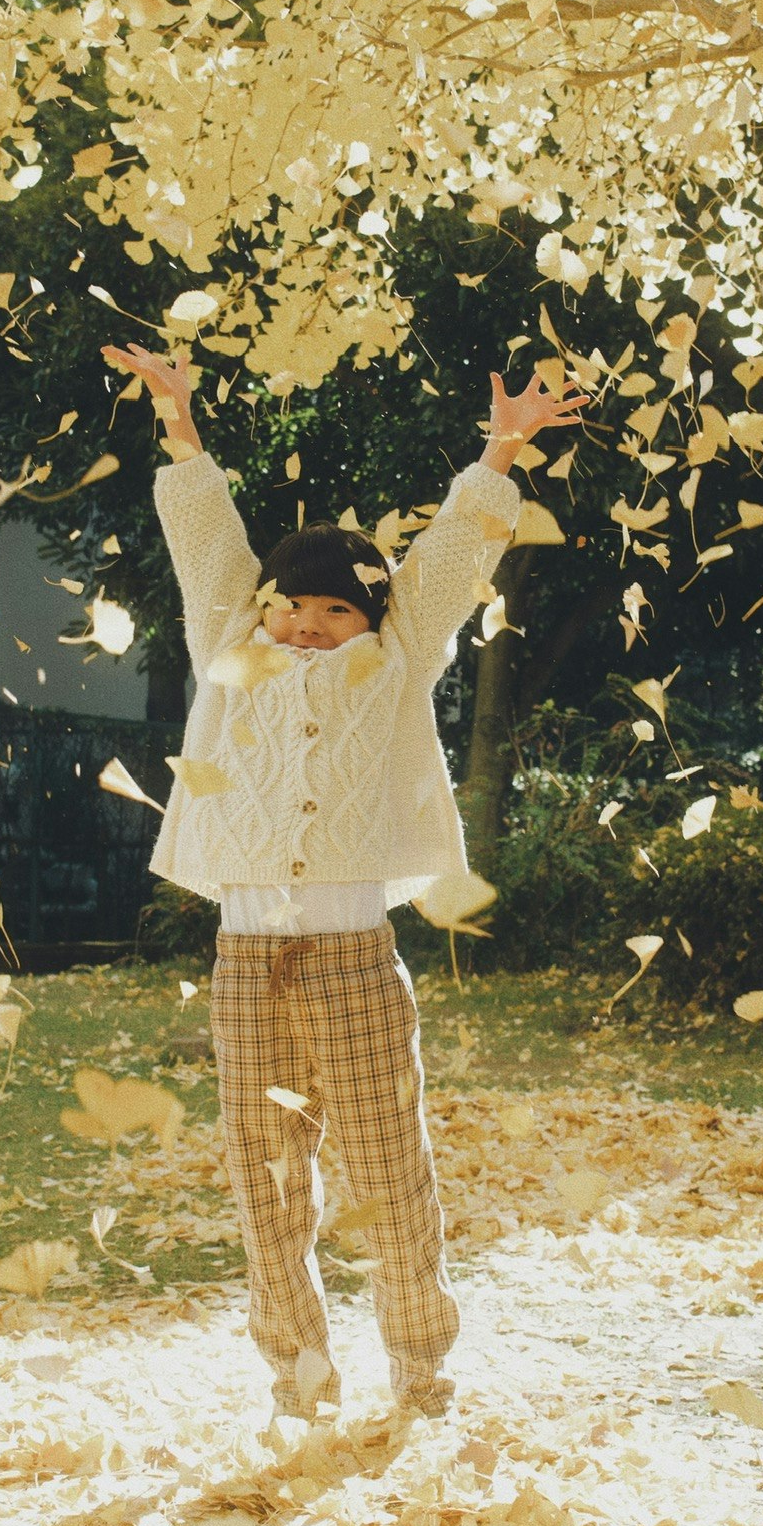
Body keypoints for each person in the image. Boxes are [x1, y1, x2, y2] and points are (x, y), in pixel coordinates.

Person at [103, 338, 587, 1421]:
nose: (307, 626)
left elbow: (451, 559)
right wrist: (180, 429)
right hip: (245, 965)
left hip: (355, 964)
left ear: (373, 621)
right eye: (292, 608)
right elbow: (208, 544)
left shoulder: (400, 655)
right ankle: (297, 1375)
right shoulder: (231, 642)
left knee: (387, 1177)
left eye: (335, 613)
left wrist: (498, 457)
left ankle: (421, 1370)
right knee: (266, 1182)